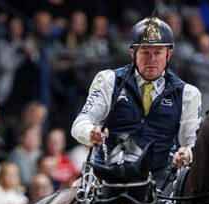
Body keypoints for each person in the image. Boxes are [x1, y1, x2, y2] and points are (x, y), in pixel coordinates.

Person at [71, 17, 202, 186]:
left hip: (160, 180)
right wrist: (91, 132)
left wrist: (187, 153)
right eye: (145, 52)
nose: (151, 59)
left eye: (158, 52)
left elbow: (193, 143)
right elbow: (80, 123)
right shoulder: (109, 80)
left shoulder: (188, 94)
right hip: (109, 175)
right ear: (133, 53)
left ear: (169, 54)